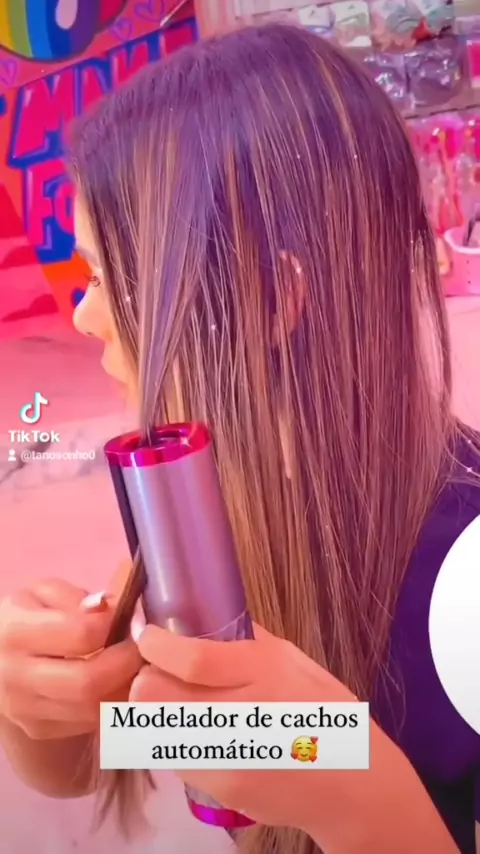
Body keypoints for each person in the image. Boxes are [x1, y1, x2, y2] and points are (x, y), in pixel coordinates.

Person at [0, 21, 477, 854]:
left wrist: (358, 791)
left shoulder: (465, 577)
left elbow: (307, 768)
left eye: (112, 279)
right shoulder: (203, 507)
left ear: (266, 300)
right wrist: (45, 714)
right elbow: (127, 760)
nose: (83, 318)